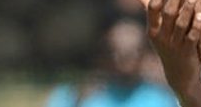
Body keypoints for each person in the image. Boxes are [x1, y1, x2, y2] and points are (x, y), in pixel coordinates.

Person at [45, 12, 176, 107]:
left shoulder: (163, 97)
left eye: (132, 52)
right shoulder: (75, 95)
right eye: (116, 52)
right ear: (103, 55)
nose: (124, 60)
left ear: (145, 55)